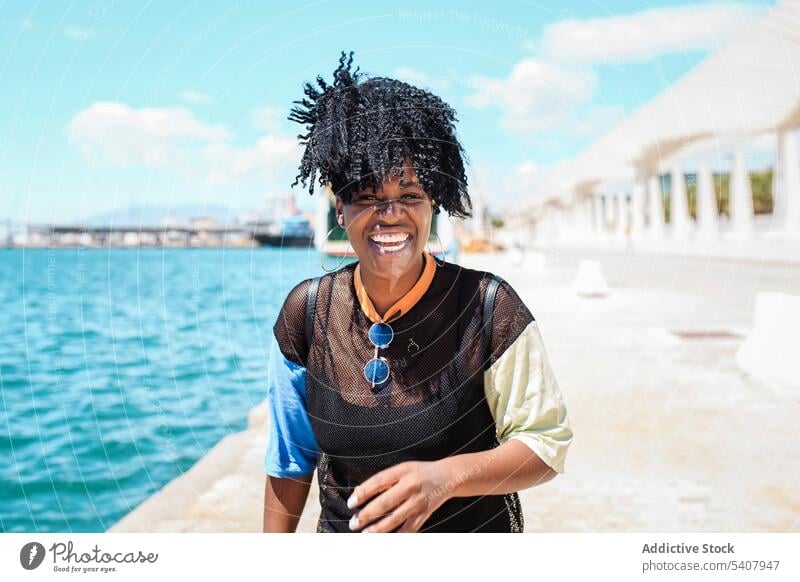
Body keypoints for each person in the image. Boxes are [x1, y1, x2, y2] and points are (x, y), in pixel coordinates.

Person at [262, 52, 572, 533]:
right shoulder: (307, 313)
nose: (390, 215)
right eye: (367, 196)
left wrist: (445, 478)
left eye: (410, 196)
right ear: (339, 210)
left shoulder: (490, 308)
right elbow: (289, 458)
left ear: (434, 204)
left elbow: (543, 445)